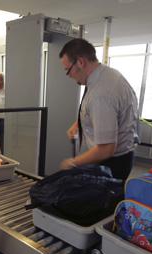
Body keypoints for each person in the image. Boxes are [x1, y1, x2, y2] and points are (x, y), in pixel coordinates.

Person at [59, 38, 138, 181]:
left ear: (81, 62)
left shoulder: (101, 94)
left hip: (111, 164)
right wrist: (79, 123)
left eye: (68, 70)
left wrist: (72, 163)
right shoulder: (109, 75)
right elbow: (111, 113)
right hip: (123, 157)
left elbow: (106, 149)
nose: (69, 76)